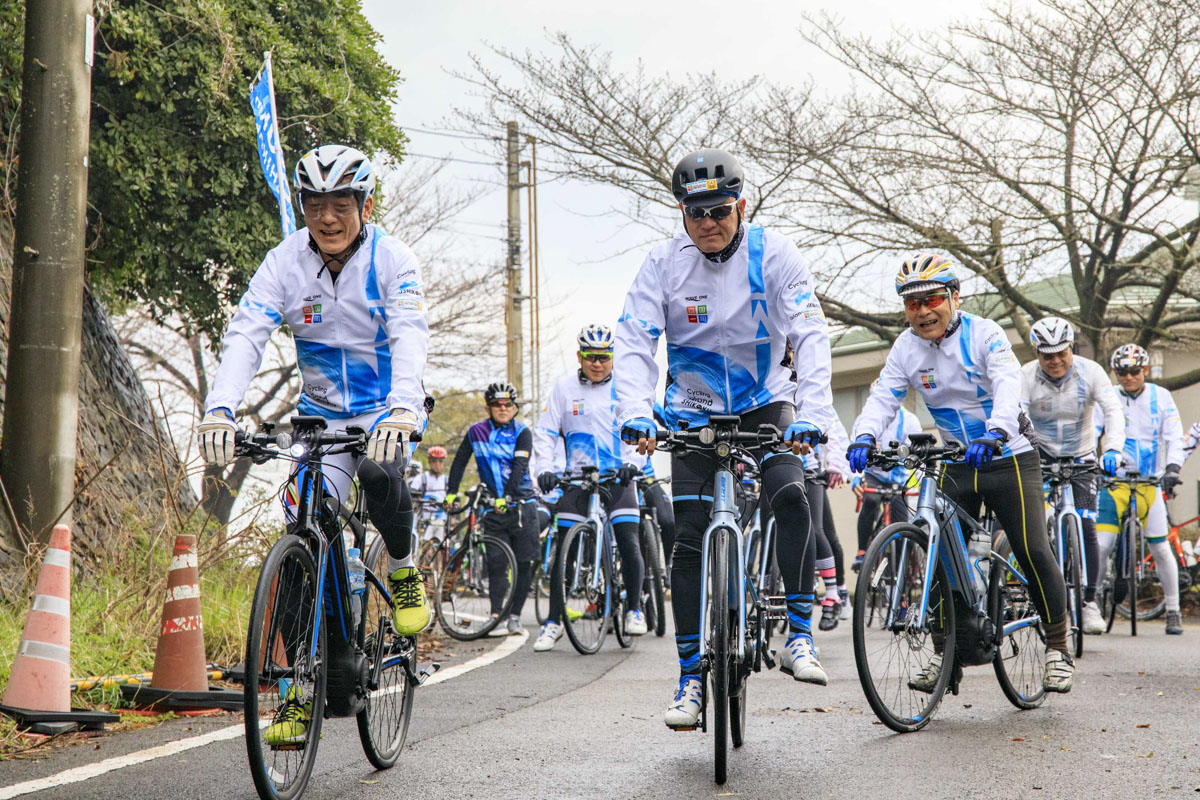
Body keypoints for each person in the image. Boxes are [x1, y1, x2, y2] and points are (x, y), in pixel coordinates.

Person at [197, 144, 430, 746]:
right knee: (301, 528)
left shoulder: (393, 259)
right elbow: (248, 330)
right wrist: (220, 408)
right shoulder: (285, 260)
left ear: (365, 205)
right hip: (320, 418)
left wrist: (403, 407)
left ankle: (403, 569)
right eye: (315, 205)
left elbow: (409, 334)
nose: (327, 218)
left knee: (380, 476)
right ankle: (298, 691)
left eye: (341, 204)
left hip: (385, 413)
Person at [615, 148, 836, 729]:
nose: (708, 223)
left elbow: (811, 333)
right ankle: (690, 679)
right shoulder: (662, 264)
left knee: (791, 497)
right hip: (691, 413)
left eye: (718, 211)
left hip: (768, 404)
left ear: (741, 206)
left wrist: (812, 412)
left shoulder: (776, 253)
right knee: (688, 538)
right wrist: (634, 411)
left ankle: (798, 633)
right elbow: (635, 340)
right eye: (695, 213)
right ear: (682, 214)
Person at [848, 253, 1074, 693]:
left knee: (1030, 546)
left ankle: (1057, 647)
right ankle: (945, 653)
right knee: (937, 553)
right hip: (955, 459)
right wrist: (863, 436)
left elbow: (1009, 384)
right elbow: (882, 397)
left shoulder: (984, 334)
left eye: (932, 299)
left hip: (1007, 452)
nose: (923, 312)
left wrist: (997, 430)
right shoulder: (906, 348)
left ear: (954, 296)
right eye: (912, 305)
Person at [531, 324, 648, 651]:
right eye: (590, 357)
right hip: (578, 479)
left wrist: (632, 465)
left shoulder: (625, 388)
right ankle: (553, 622)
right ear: (579, 357)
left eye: (604, 357)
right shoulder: (564, 388)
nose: (597, 363)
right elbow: (545, 433)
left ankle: (635, 610)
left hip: (617, 478)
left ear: (613, 357)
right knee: (561, 555)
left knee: (628, 538)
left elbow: (638, 432)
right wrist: (545, 470)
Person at [1019, 317, 1125, 635]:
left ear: (1071, 348)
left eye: (1061, 353)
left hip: (1081, 457)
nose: (1055, 361)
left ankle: (1089, 602)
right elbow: (1017, 412)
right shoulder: (1025, 375)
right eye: (1047, 354)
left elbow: (1113, 410)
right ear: (1037, 352)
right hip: (1038, 457)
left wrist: (1114, 450)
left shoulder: (1090, 371)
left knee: (1086, 522)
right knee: (1034, 527)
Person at [1096, 344, 1185, 635]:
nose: (1128, 377)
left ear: (1144, 370)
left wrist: (1173, 468)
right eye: (1122, 372)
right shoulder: (1108, 396)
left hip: (1150, 484)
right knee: (1102, 545)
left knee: (1160, 547)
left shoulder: (1161, 397)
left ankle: (1172, 610)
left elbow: (1173, 436)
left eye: (1134, 371)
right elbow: (1094, 429)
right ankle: (1092, 602)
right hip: (1115, 483)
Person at [444, 382, 540, 636]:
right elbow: (460, 461)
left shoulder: (522, 432)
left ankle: (515, 616)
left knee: (524, 564)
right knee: (496, 563)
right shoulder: (476, 431)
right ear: (488, 407)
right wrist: (451, 492)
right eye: (497, 404)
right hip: (492, 510)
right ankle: (497, 614)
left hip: (521, 506)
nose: (503, 408)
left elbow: (520, 467)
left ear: (514, 407)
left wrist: (506, 496)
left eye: (508, 404)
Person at [852, 397, 921, 570]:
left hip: (897, 479)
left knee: (903, 530)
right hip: (873, 474)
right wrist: (856, 477)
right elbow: (854, 446)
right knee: (870, 499)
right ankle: (862, 550)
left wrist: (922, 484)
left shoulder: (909, 420)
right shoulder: (865, 419)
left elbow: (920, 456)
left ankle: (898, 580)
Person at [410, 445, 449, 541]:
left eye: (440, 461)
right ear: (429, 462)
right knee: (422, 543)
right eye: (434, 461)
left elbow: (451, 499)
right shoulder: (421, 478)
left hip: (441, 520)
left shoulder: (447, 480)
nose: (437, 464)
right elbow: (411, 492)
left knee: (441, 547)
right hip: (423, 519)